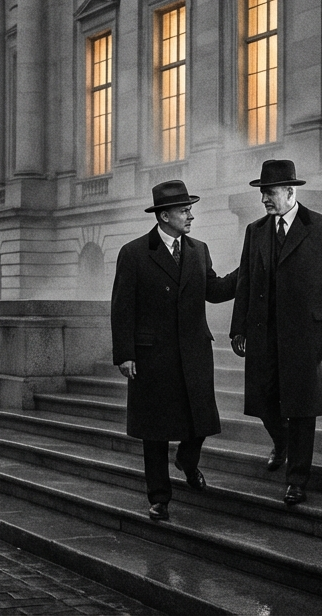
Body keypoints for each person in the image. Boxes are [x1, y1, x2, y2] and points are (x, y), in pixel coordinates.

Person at [111, 180, 236, 522]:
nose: (190, 215)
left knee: (201, 421)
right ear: (164, 216)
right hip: (153, 356)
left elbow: (214, 289)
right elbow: (122, 307)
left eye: (190, 209)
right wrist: (125, 354)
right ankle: (159, 498)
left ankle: (187, 460)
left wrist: (249, 272)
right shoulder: (134, 253)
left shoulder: (199, 250)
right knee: (154, 432)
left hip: (194, 351)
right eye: (184, 211)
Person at [229, 159, 322, 506]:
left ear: (290, 192)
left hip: (306, 334)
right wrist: (239, 326)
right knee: (264, 400)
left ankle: (296, 479)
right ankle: (281, 443)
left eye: (270, 193)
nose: (265, 199)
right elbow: (247, 282)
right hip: (264, 333)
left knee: (301, 407)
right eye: (263, 193)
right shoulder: (255, 231)